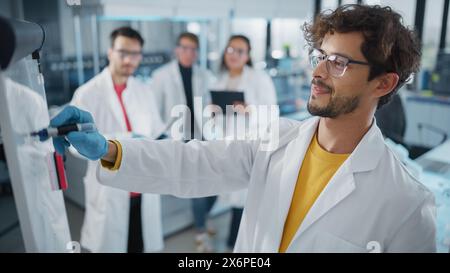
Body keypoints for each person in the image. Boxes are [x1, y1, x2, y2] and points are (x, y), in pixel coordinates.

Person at [52, 5, 436, 252]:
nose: (317, 72)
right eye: (319, 56)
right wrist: (110, 149)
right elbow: (192, 162)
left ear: (383, 83)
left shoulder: (406, 205)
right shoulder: (277, 140)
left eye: (338, 62)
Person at [68, 26, 165, 253]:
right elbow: (75, 145)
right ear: (110, 52)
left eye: (135, 54)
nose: (129, 60)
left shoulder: (144, 90)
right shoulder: (87, 93)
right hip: (110, 189)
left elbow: (157, 131)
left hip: (143, 188)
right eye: (123, 53)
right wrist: (122, 140)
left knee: (139, 246)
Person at [150, 32, 216, 252]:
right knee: (197, 185)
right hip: (178, 138)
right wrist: (161, 137)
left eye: (193, 49)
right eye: (185, 48)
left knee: (214, 183)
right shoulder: (161, 76)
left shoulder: (204, 74)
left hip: (203, 136)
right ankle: (201, 233)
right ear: (176, 49)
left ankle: (203, 219)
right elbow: (154, 112)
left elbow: (211, 103)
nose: (189, 53)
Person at [211, 34, 277, 250]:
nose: (234, 55)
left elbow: (273, 113)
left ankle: (244, 247)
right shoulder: (219, 80)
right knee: (234, 198)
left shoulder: (259, 78)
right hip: (227, 146)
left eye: (240, 51)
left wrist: (250, 110)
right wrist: (212, 114)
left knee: (248, 201)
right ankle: (235, 244)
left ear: (247, 55)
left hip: (252, 147)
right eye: (230, 50)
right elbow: (218, 122)